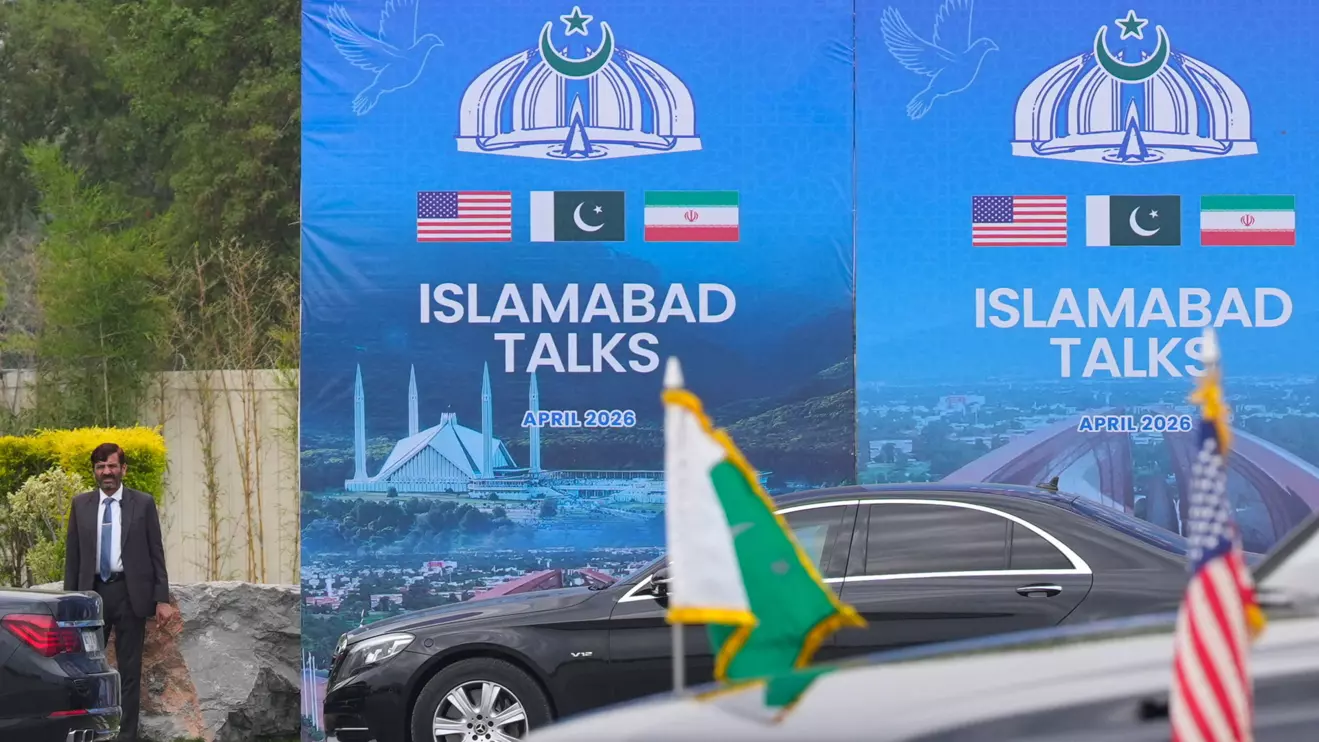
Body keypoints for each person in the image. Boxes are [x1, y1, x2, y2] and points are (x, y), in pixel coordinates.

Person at [63, 442, 174, 741]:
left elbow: (156, 552)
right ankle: (88, 731)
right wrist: (69, 602)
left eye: (112, 465)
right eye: (100, 467)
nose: (106, 472)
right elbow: (73, 558)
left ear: (123, 469)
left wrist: (161, 598)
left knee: (129, 671)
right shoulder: (81, 505)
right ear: (94, 471)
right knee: (85, 670)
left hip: (130, 595)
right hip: (91, 598)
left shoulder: (143, 503)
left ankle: (126, 736)